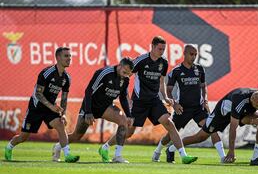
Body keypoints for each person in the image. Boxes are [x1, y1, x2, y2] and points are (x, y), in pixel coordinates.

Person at [100, 36, 198, 164]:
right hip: (139, 101)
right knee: (129, 132)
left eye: (163, 49)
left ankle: (184, 156)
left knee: (169, 123)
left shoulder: (164, 62)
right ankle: (105, 147)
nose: (161, 51)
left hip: (154, 100)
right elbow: (125, 75)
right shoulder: (141, 60)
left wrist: (165, 96)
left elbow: (162, 80)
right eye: (159, 49)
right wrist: (128, 99)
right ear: (152, 46)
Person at [51, 58, 134, 163]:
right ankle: (58, 147)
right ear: (120, 65)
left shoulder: (125, 79)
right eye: (124, 72)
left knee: (123, 121)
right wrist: (88, 112)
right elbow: (89, 90)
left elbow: (122, 97)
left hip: (106, 107)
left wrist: (129, 115)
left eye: (128, 74)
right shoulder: (104, 73)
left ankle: (116, 155)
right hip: (90, 106)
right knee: (78, 134)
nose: (125, 75)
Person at [166, 88, 258, 166]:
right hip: (222, 113)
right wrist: (231, 151)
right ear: (251, 99)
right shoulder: (240, 99)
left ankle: (255, 158)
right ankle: (171, 148)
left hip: (242, 113)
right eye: (256, 106)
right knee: (200, 137)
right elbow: (233, 127)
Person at [4, 47, 79, 163]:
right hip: (36, 108)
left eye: (70, 56)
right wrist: (52, 106)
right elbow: (38, 94)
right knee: (23, 137)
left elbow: (64, 98)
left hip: (50, 108)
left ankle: (68, 155)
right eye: (66, 56)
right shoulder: (46, 73)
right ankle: (9, 147)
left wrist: (63, 114)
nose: (69, 58)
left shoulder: (67, 78)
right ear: (58, 57)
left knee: (60, 125)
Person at [151, 44, 222, 163]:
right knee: (170, 135)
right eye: (191, 54)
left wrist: (205, 99)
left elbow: (204, 87)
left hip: (198, 108)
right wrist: (175, 104)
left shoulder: (199, 69)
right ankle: (157, 151)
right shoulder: (177, 71)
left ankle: (223, 157)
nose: (193, 57)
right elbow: (168, 90)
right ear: (184, 54)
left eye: (195, 55)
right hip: (182, 109)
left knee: (211, 127)